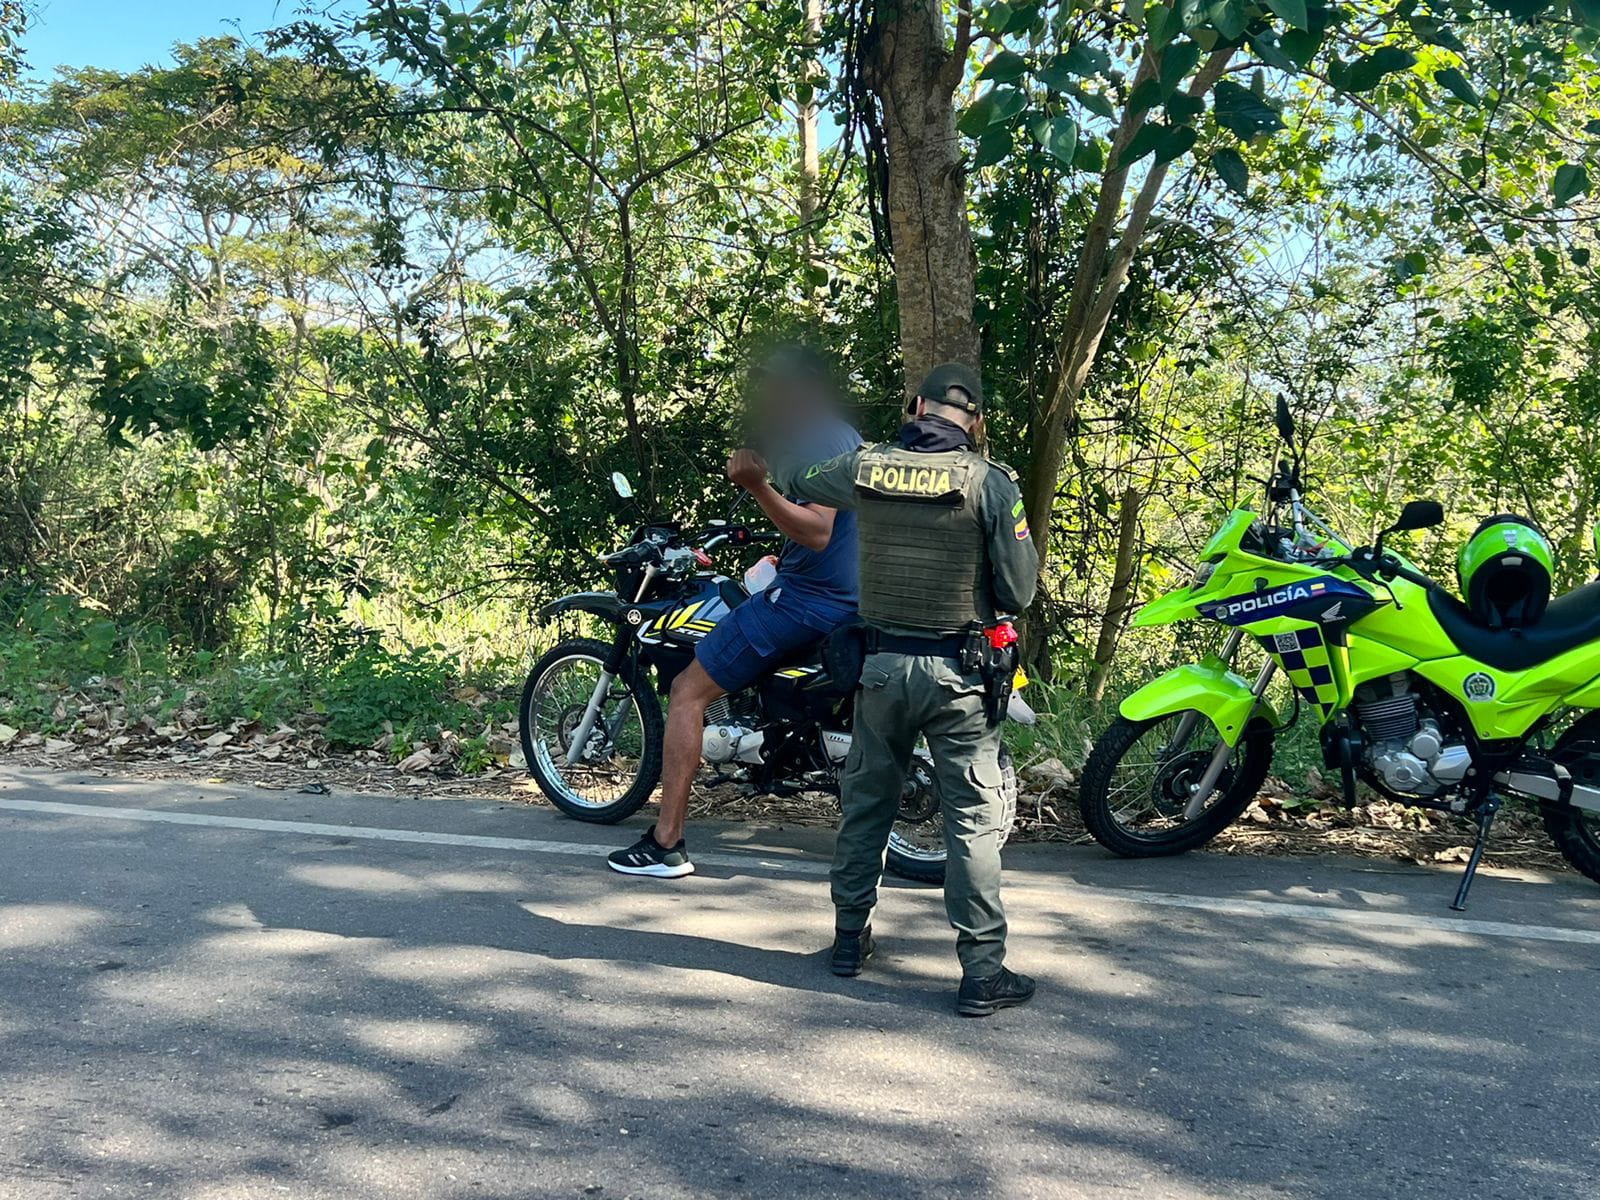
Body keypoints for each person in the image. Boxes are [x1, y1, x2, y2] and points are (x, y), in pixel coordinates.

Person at [764, 362, 1039, 1016]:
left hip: (881, 670)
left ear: (916, 405)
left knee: (866, 807)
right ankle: (981, 973)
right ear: (974, 422)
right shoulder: (990, 485)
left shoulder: (866, 467)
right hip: (960, 677)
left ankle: (848, 941)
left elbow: (795, 479)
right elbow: (1020, 590)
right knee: (970, 820)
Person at [607, 348, 861, 879]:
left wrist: (756, 486)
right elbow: (826, 533)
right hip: (846, 593)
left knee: (687, 691)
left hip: (809, 601)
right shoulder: (839, 435)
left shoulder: (817, 440)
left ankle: (666, 842)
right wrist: (779, 550)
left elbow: (817, 530)